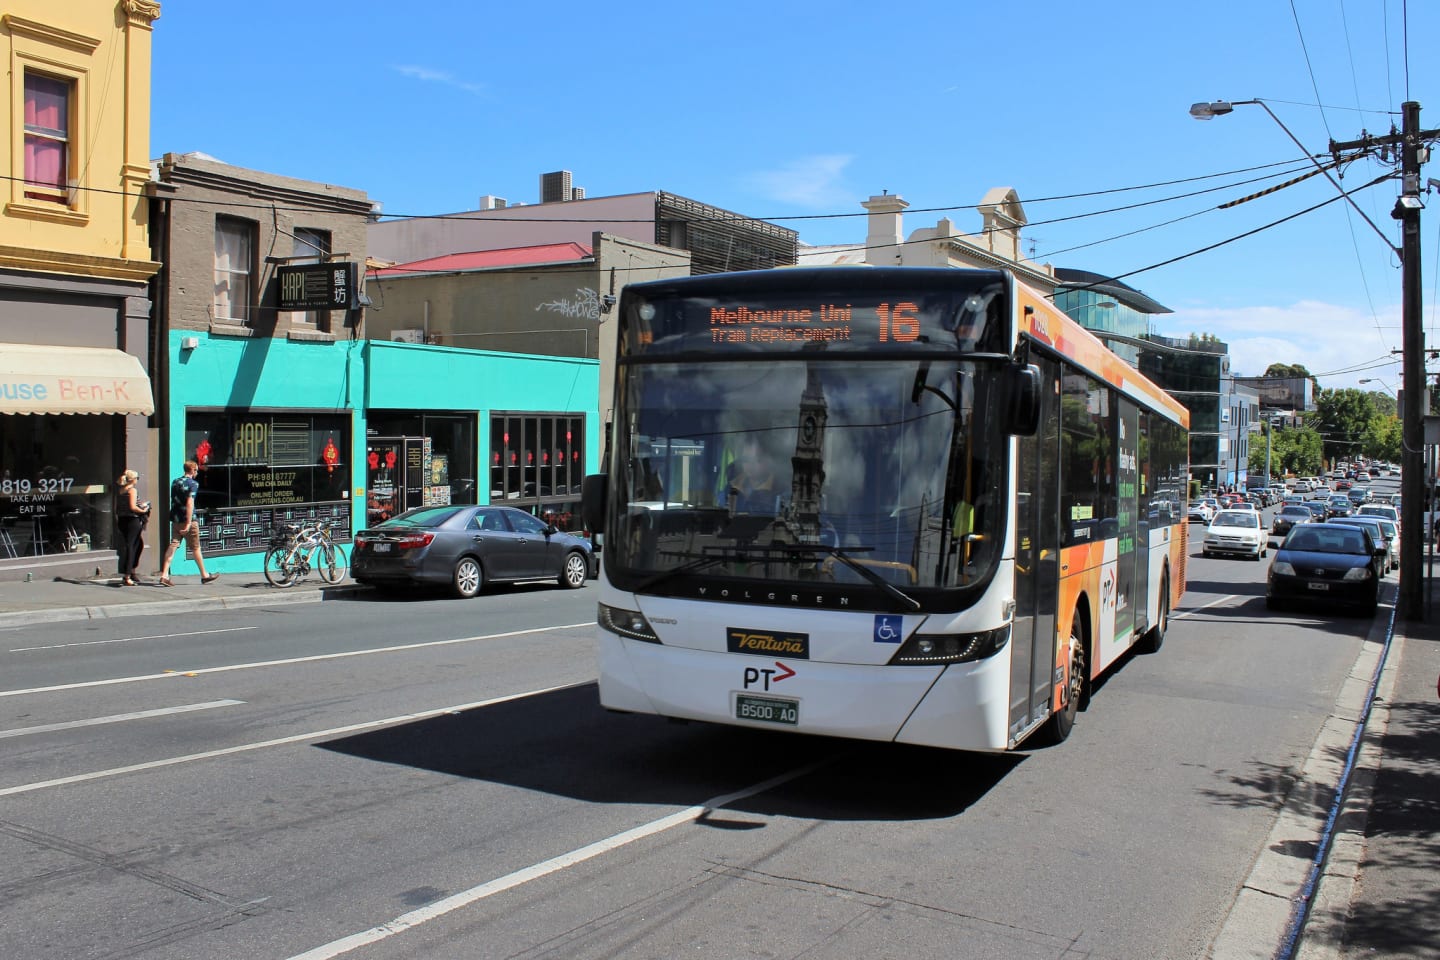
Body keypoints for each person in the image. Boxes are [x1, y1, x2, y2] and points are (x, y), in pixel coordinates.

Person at [158, 460, 218, 586]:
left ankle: (164, 574)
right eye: (196, 470)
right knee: (196, 548)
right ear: (192, 470)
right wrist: (189, 523)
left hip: (175, 519)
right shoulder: (193, 484)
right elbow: (190, 503)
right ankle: (204, 575)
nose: (197, 472)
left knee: (173, 545)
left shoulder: (175, 482)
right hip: (188, 520)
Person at [113, 469, 149, 586]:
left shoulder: (121, 490)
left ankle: (132, 570)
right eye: (137, 478)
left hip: (122, 520)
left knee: (138, 545)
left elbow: (117, 508)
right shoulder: (132, 490)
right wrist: (143, 509)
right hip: (132, 520)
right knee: (131, 546)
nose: (137, 480)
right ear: (133, 479)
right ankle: (127, 575)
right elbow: (133, 507)